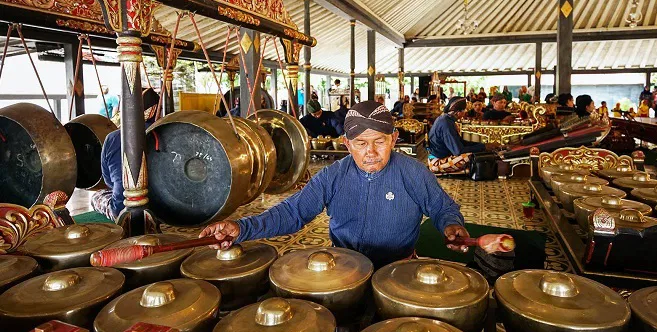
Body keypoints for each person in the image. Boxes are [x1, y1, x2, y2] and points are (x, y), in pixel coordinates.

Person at [199, 100, 472, 269]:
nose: (371, 152)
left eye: (379, 141)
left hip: (398, 270)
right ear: (347, 144)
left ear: (394, 139)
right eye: (361, 144)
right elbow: (293, 213)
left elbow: (441, 208)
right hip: (343, 269)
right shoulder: (333, 175)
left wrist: (452, 225)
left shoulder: (413, 173)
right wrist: (240, 228)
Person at [91, 88, 160, 221]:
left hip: (123, 211)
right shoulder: (166, 133)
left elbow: (108, 181)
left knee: (98, 196)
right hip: (164, 209)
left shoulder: (112, 137)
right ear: (156, 110)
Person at [427, 97, 499, 174]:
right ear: (458, 112)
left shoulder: (447, 119)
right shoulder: (445, 123)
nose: (464, 112)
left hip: (445, 157)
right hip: (437, 162)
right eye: (464, 110)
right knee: (470, 156)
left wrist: (482, 145)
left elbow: (461, 142)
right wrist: (483, 147)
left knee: (479, 152)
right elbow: (458, 151)